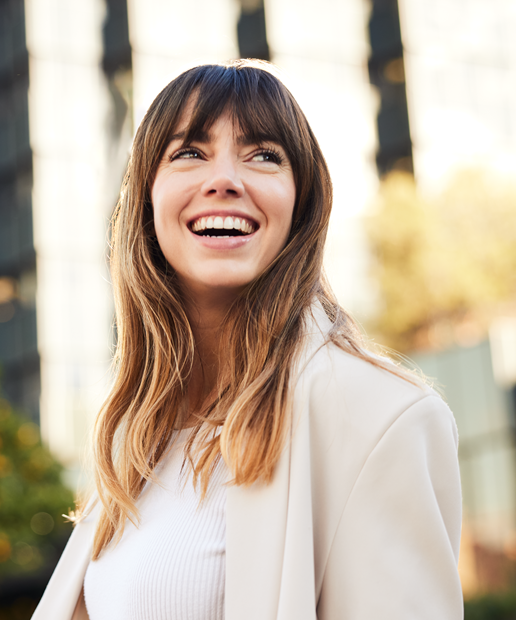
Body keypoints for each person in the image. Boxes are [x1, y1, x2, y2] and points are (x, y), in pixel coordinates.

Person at [32, 59, 463, 620]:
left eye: (263, 155)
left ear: (300, 203)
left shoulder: (381, 417)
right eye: (190, 152)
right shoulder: (133, 439)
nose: (225, 180)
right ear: (146, 199)